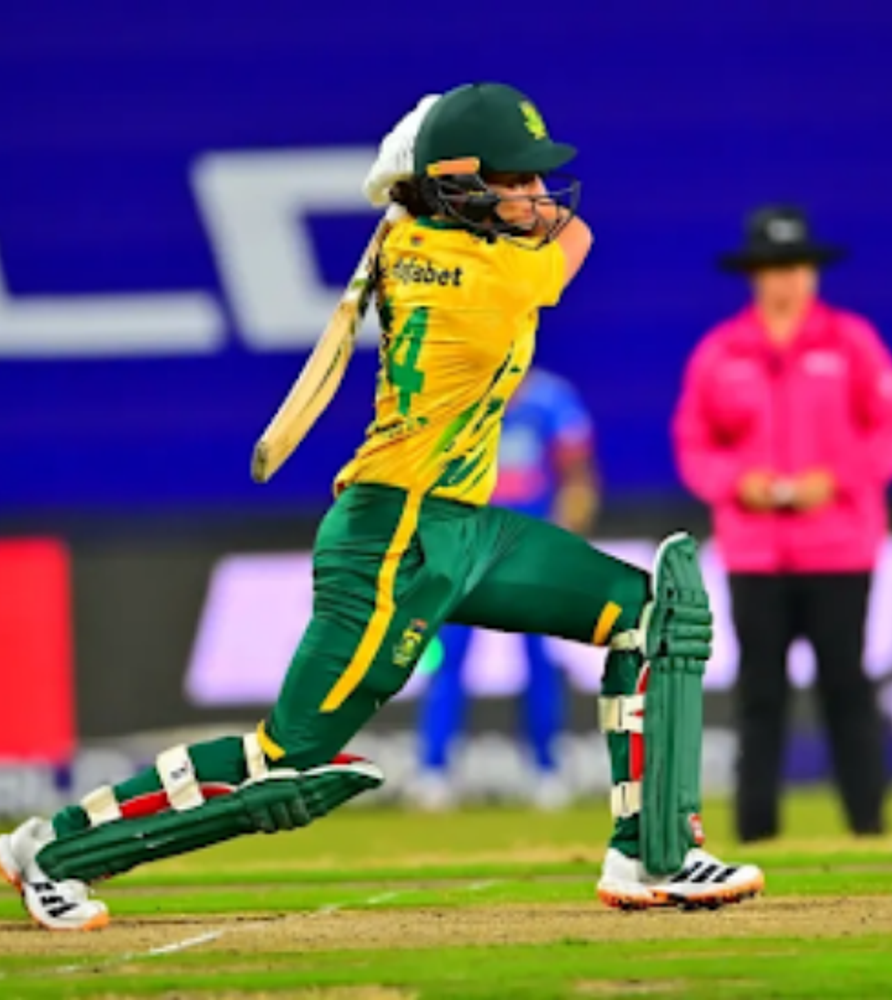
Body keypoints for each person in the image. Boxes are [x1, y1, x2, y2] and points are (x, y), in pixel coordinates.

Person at [0, 82, 762, 930]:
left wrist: (426, 175)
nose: (540, 196)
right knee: (284, 765)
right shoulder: (485, 278)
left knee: (651, 616)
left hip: (464, 526)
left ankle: (651, 854)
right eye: (518, 180)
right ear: (462, 187)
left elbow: (471, 220)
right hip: (392, 538)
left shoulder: (409, 239)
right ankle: (54, 852)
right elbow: (577, 237)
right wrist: (433, 171)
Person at [672, 204, 892, 843]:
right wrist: (738, 483)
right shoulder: (722, 352)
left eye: (797, 265)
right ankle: (756, 833)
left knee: (846, 685)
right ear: (754, 274)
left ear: (813, 271)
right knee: (760, 693)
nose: (787, 278)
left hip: (838, 546)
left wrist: (834, 480)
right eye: (775, 266)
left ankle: (868, 825)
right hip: (756, 552)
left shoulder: (851, 343)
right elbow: (694, 444)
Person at [413, 366, 600, 810]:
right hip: (466, 554)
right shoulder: (457, 400)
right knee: (449, 657)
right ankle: (434, 770)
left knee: (539, 659)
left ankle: (545, 769)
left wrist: (565, 533)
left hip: (527, 554)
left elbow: (579, 479)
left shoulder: (551, 400)